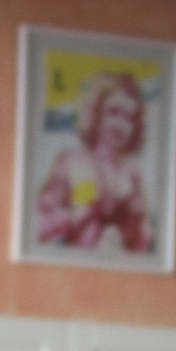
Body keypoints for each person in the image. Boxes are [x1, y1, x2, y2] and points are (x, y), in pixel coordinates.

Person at [35, 71, 153, 255]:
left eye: (129, 117)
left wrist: (137, 220)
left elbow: (143, 244)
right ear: (95, 113)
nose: (121, 124)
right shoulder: (71, 162)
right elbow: (38, 226)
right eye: (113, 112)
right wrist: (74, 216)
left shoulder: (132, 173)